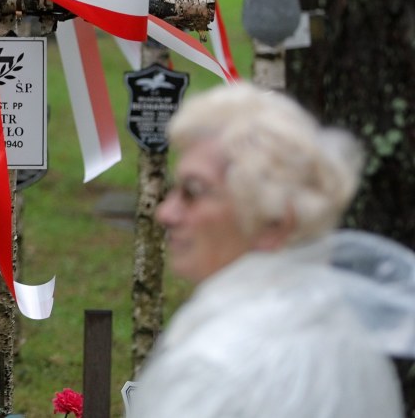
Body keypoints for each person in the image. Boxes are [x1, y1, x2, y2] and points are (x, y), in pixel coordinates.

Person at [131, 83, 404, 418]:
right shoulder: (354, 336)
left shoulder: (211, 365)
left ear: (274, 222)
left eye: (194, 191)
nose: (166, 213)